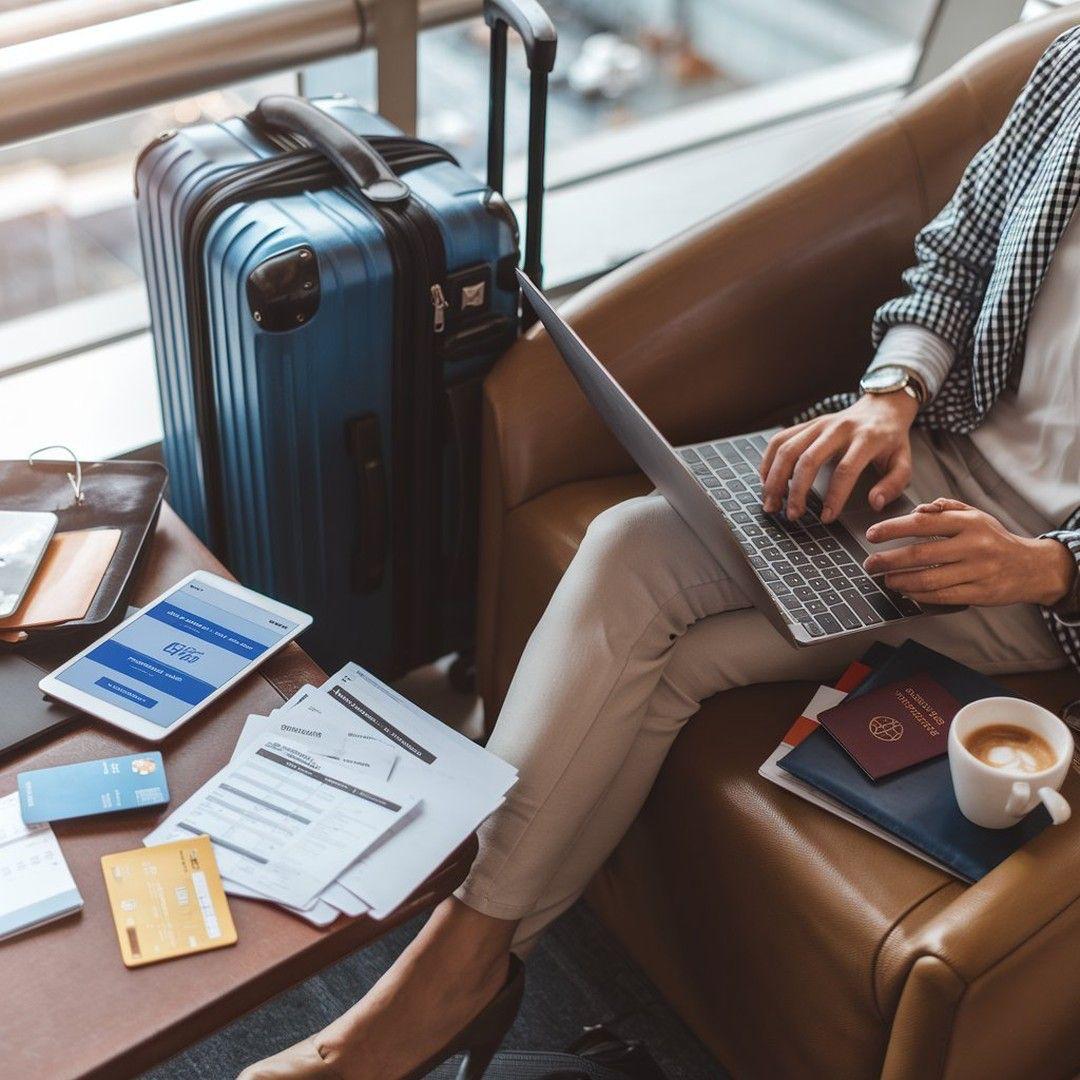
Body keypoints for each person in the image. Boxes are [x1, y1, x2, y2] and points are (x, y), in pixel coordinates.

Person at [240, 26, 1080, 1080]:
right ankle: (466, 968)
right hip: (927, 468)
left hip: (1036, 576)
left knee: (664, 630)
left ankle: (430, 994)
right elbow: (961, 249)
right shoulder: (1073, 62)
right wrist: (890, 396)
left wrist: (1050, 567)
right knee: (639, 555)